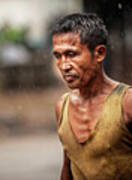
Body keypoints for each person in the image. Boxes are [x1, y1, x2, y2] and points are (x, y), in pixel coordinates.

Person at [51, 13, 132, 180]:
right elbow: (68, 167)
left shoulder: (127, 102)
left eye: (72, 54)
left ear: (99, 54)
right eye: (58, 56)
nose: (64, 65)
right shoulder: (62, 107)